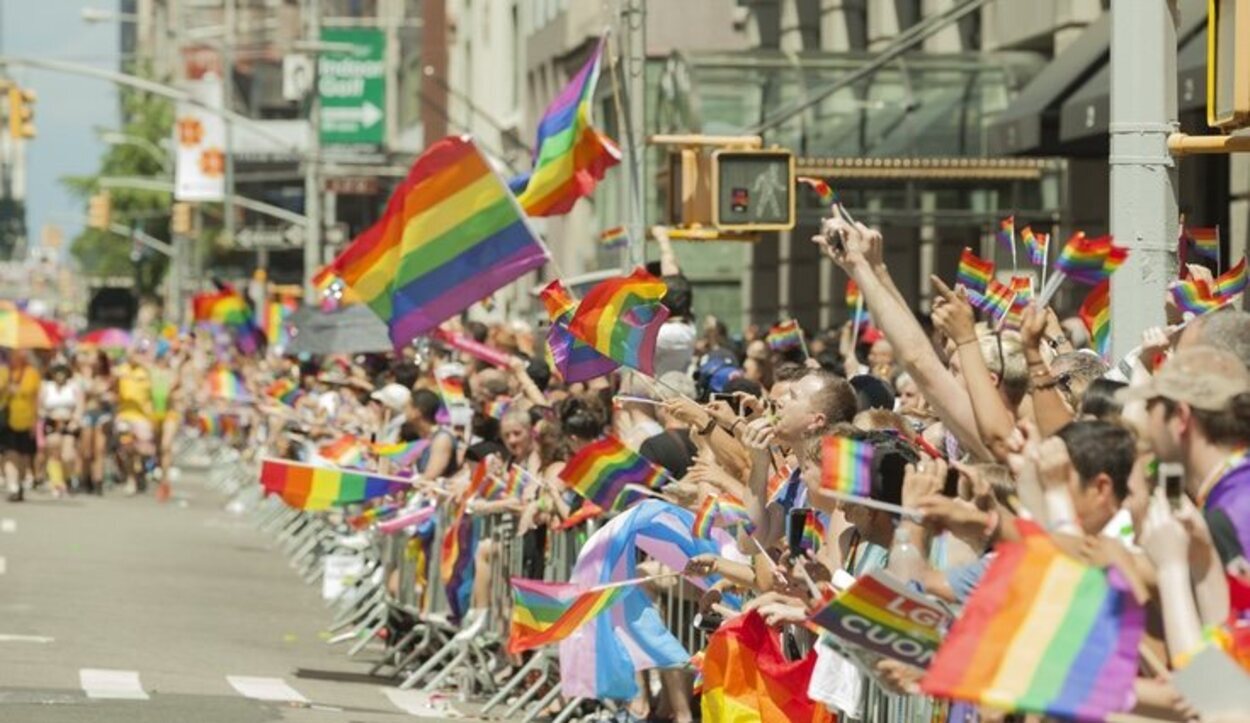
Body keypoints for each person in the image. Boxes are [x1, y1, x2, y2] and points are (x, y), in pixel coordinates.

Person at [1, 351, 42, 502]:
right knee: (9, 453)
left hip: (26, 420)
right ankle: (13, 485)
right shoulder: (4, 372)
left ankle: (19, 483)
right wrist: (6, 387)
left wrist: (35, 421)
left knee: (24, 456)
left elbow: (36, 398)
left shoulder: (32, 373)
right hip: (7, 419)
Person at [38, 362, 82, 497]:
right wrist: (48, 416)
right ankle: (57, 483)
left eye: (62, 372)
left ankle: (68, 477)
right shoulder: (46, 387)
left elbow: (80, 406)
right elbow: (39, 407)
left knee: (67, 455)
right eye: (57, 372)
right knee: (54, 451)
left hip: (69, 422)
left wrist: (74, 420)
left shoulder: (73, 387)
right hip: (52, 421)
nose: (60, 375)